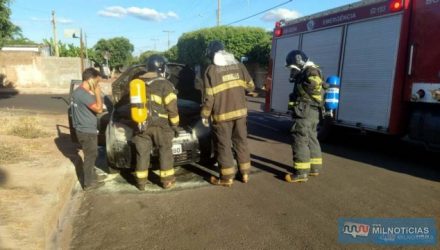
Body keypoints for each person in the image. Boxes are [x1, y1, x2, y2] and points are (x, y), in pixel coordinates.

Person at [201, 40, 255, 187]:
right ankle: (244, 174)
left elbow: (209, 97)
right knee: (241, 141)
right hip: (240, 113)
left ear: (212, 54)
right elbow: (251, 86)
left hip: (222, 115)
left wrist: (205, 115)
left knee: (223, 145)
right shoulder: (239, 66)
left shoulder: (210, 70)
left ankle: (227, 178)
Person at [132, 55, 179, 190]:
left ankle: (141, 183)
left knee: (142, 153)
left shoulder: (137, 83)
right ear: (161, 67)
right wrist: (175, 125)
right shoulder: (165, 84)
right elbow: (172, 108)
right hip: (161, 126)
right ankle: (167, 181)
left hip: (141, 124)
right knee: (165, 151)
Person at [284, 50, 326, 183]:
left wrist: (300, 82)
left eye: (293, 67)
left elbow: (313, 86)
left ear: (299, 61)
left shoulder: (310, 71)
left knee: (300, 139)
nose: (292, 70)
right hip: (312, 112)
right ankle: (314, 168)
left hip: (305, 112)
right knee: (312, 138)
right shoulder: (309, 71)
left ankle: (301, 173)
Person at [71, 67, 106, 190]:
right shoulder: (84, 94)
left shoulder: (78, 92)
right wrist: (97, 93)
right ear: (90, 80)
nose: (98, 84)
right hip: (86, 131)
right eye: (97, 82)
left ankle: (90, 177)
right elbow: (99, 109)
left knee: (91, 154)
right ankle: (88, 184)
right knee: (90, 156)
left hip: (82, 129)